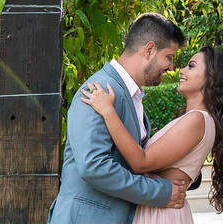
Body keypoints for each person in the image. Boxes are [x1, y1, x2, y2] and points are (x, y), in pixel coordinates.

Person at [48, 13, 189, 224]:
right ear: (149, 50)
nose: (171, 67)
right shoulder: (98, 89)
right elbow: (94, 166)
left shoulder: (131, 96)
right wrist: (159, 192)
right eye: (169, 57)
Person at [80, 45, 223, 223]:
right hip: (159, 209)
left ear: (212, 79)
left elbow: (140, 162)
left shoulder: (198, 119)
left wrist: (108, 111)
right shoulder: (197, 119)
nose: (181, 70)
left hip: (160, 214)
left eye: (191, 66)